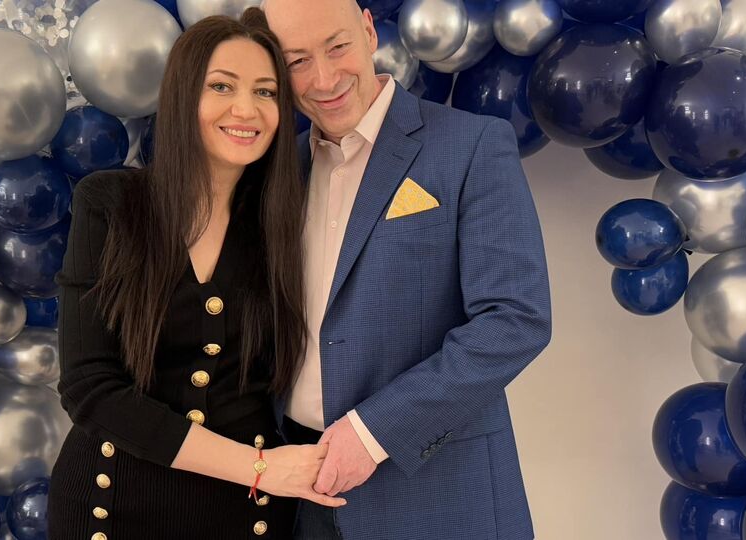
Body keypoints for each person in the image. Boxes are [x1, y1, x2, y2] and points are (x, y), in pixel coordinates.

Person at [47, 9, 346, 540]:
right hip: (111, 507)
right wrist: (260, 469)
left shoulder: (286, 225)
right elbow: (88, 386)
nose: (245, 109)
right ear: (184, 95)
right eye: (222, 86)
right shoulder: (111, 203)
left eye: (265, 92)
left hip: (243, 516)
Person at [261, 1, 553, 539]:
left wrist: (373, 432)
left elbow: (515, 320)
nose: (323, 79)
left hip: (437, 501)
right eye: (297, 60)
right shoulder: (279, 170)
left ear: (369, 31)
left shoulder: (473, 145)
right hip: (298, 501)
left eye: (337, 47)